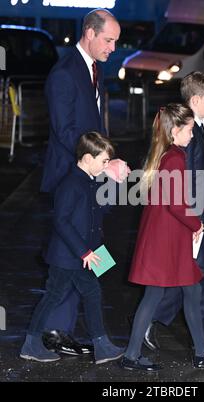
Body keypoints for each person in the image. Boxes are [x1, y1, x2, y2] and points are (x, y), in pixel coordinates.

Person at [120, 104, 204, 371]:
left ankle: (200, 352)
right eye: (189, 130)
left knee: (189, 291)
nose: (192, 135)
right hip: (167, 240)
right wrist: (196, 223)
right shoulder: (174, 158)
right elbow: (176, 203)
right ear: (175, 131)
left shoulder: (167, 154)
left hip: (168, 237)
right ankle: (132, 355)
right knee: (156, 296)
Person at [40, 8, 126, 355]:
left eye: (116, 42)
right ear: (89, 33)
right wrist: (102, 163)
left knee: (87, 248)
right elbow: (66, 132)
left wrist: (103, 164)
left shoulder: (94, 68)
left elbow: (90, 124)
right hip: (70, 177)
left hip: (87, 175)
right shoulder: (64, 73)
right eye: (108, 40)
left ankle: (61, 327)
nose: (112, 48)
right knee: (71, 253)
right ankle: (52, 331)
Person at [141, 72, 204, 351]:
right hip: (193, 215)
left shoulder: (197, 127)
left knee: (199, 273)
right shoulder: (188, 133)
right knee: (192, 274)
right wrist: (192, 220)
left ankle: (202, 329)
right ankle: (152, 321)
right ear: (195, 100)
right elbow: (187, 178)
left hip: (197, 213)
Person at [20, 132, 125, 363]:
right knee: (55, 296)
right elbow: (61, 221)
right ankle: (32, 344)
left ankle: (101, 345)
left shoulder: (86, 180)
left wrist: (92, 250)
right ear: (88, 158)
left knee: (86, 294)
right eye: (103, 161)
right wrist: (85, 252)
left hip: (81, 255)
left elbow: (92, 217)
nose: (106, 166)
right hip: (69, 256)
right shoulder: (71, 183)